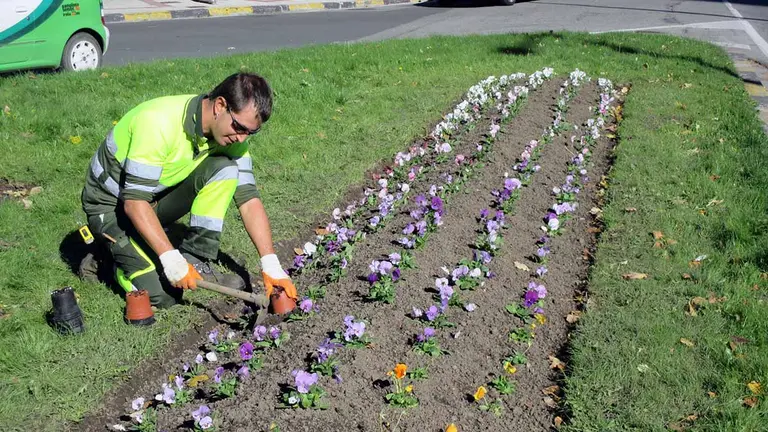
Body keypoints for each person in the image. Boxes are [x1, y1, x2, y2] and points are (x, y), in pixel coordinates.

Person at [80, 72, 297, 309]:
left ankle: (195, 258)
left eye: (251, 132)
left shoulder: (229, 135)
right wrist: (170, 258)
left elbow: (249, 200)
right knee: (163, 297)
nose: (242, 138)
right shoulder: (158, 123)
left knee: (225, 169)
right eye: (239, 127)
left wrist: (271, 263)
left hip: (151, 197)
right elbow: (133, 203)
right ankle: (105, 261)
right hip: (111, 206)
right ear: (220, 105)